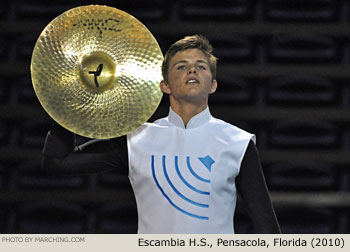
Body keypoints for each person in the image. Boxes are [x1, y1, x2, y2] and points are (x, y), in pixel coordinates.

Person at [42, 34, 280, 234]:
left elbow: (267, 228)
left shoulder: (238, 143)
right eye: (181, 66)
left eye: (201, 66)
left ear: (213, 85)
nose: (192, 70)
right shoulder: (136, 139)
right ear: (164, 85)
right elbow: (58, 163)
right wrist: (69, 105)